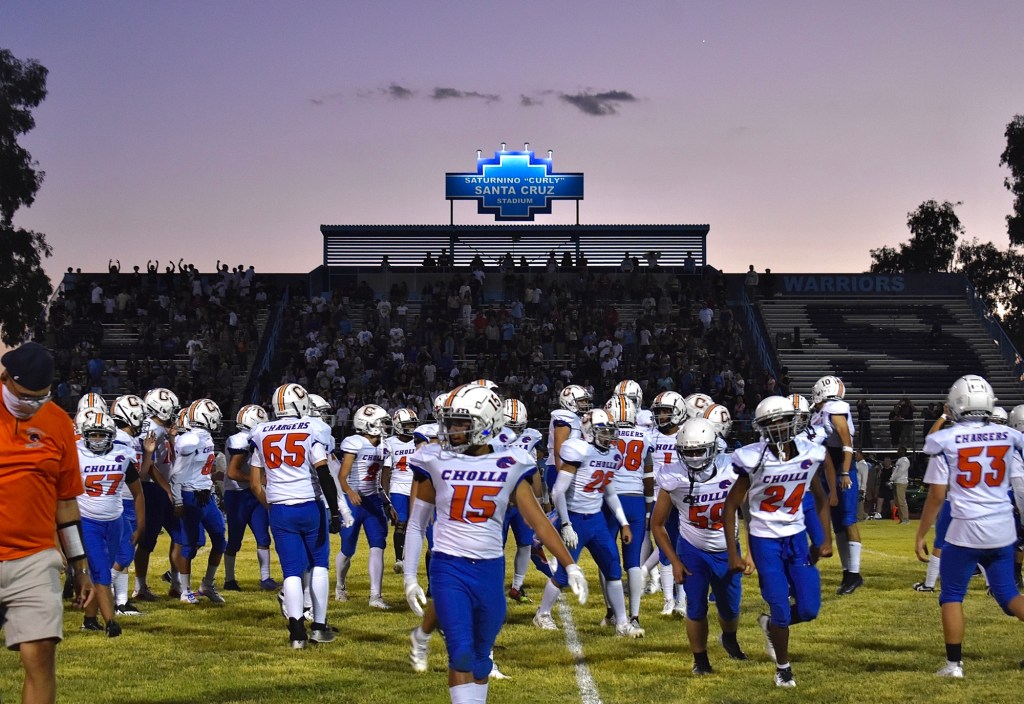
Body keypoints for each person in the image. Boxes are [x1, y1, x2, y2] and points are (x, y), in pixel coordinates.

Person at [403, 384, 588, 703]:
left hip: (490, 570)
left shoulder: (510, 461)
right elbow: (417, 522)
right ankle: (424, 638)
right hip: (449, 566)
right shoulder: (435, 459)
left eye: (461, 423)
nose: (452, 430)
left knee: (480, 660)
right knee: (461, 654)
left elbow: (538, 521)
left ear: (487, 423)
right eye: (450, 422)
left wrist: (570, 565)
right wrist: (409, 577)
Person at [1, 342, 95, 704]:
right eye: (26, 396)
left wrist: (80, 567)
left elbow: (66, 503)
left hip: (35, 559)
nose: (32, 405)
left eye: (41, 397)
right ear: (5, 378)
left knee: (40, 656)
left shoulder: (58, 422)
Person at [914, 375, 1024, 678]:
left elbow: (937, 495)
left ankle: (954, 665)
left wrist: (921, 533)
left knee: (951, 595)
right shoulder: (1010, 435)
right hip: (1002, 529)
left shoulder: (945, 440)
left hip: (965, 529)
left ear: (957, 404)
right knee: (1008, 595)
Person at [724, 395, 833, 688]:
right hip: (765, 540)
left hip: (796, 536)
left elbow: (820, 498)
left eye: (782, 420)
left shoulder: (810, 453)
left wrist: (824, 538)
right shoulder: (753, 458)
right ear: (760, 428)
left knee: (809, 609)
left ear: (793, 421)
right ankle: (783, 669)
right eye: (770, 423)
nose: (777, 427)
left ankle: (769, 625)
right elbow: (730, 505)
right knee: (781, 608)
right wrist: (735, 552)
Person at [532, 408, 643, 637]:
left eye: (610, 431)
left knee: (613, 568)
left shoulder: (612, 455)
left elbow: (609, 492)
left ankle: (622, 623)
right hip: (575, 519)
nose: (609, 436)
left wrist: (623, 523)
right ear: (590, 431)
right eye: (604, 431)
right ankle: (542, 614)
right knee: (565, 573)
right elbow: (558, 491)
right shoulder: (579, 450)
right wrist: (565, 524)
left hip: (596, 520)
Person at [651, 417, 749, 675]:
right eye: (688, 452)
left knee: (730, 608)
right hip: (693, 549)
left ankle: (729, 638)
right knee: (695, 606)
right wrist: (674, 561)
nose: (694, 458)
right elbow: (658, 524)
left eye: (699, 451)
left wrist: (749, 552)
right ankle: (701, 660)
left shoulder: (732, 468)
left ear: (714, 447)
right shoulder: (673, 476)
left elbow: (749, 512)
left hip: (727, 549)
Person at [249, 383, 338, 648]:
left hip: (279, 507)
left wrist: (274, 506)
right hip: (309, 504)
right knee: (319, 564)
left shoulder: (260, 431)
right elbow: (323, 472)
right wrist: (334, 510)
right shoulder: (312, 428)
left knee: (290, 571)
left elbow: (255, 482)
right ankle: (318, 627)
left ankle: (297, 633)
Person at [75, 412, 143, 637]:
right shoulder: (76, 454)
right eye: (92, 434)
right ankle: (111, 622)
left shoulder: (122, 455)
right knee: (101, 571)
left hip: (115, 521)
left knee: (106, 567)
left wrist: (141, 523)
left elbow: (138, 492)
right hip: (88, 520)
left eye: (100, 434)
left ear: (111, 435)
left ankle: (89, 619)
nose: (96, 439)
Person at [168, 399, 227, 604]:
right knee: (189, 545)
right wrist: (177, 501)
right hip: (190, 496)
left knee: (220, 540)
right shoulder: (191, 440)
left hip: (206, 495)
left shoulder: (204, 437)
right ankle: (185, 591)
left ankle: (207, 585)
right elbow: (176, 474)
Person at [602, 394, 653, 626]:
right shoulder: (645, 436)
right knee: (633, 562)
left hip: (611, 500)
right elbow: (648, 477)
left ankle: (612, 612)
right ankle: (634, 616)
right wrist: (648, 508)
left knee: (605, 557)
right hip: (636, 500)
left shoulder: (606, 434)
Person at [810, 375, 863, 595]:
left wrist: (845, 471)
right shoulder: (822, 411)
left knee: (848, 519)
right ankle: (847, 572)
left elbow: (847, 443)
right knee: (838, 523)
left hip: (842, 467)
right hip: (829, 468)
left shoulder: (835, 409)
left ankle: (855, 573)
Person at [337, 404, 392, 608]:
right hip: (352, 502)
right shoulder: (355, 442)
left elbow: (380, 480)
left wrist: (387, 502)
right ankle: (340, 586)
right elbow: (342, 476)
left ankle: (375, 596)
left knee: (378, 545)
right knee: (347, 549)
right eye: (381, 422)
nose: (385, 426)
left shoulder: (385, 446)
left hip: (372, 500)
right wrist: (350, 492)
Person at [223, 404, 278, 591]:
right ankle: (229, 580)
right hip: (237, 495)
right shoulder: (240, 440)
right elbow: (232, 472)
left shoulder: (251, 437)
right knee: (235, 540)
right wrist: (256, 479)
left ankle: (266, 578)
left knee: (263, 537)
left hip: (253, 494)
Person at [381, 408, 420, 575]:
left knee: (414, 526)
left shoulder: (419, 441)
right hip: (398, 487)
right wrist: (386, 498)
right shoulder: (389, 443)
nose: (411, 428)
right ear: (398, 425)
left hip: (417, 486)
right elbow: (385, 473)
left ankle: (408, 559)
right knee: (401, 523)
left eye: (412, 424)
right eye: (407, 425)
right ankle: (399, 559)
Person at [892, 447, 911, 524]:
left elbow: (900, 472)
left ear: (903, 452)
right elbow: (895, 471)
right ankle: (902, 518)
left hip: (902, 482)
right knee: (898, 502)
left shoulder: (905, 461)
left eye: (899, 450)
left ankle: (905, 519)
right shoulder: (899, 460)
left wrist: (892, 479)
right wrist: (892, 479)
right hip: (897, 482)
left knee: (902, 501)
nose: (898, 452)